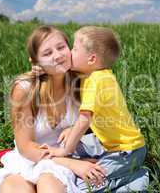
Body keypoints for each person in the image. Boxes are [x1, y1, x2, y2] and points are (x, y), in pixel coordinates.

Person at [0, 25, 106, 193]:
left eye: (61, 48)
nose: (58, 56)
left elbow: (98, 120)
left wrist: (74, 128)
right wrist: (72, 164)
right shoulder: (25, 89)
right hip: (29, 159)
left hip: (65, 157)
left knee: (49, 186)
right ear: (35, 61)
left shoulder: (82, 81)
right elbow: (26, 147)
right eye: (47, 53)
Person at [40, 26, 149, 192]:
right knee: (73, 153)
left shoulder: (96, 82)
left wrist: (64, 151)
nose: (70, 52)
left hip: (126, 153)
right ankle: (120, 172)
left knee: (83, 186)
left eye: (75, 49)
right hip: (111, 145)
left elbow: (85, 120)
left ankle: (138, 178)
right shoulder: (96, 76)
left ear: (91, 59)